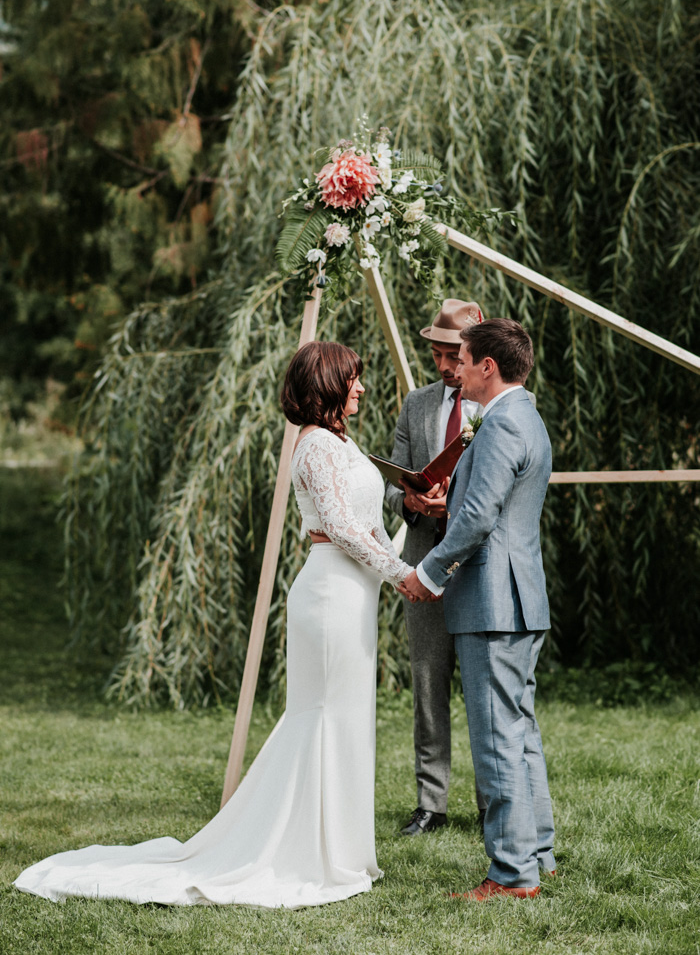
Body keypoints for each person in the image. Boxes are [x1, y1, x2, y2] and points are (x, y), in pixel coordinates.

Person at [14, 340, 412, 910]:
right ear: (327, 382)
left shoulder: (341, 442)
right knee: (321, 717)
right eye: (352, 379)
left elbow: (367, 523)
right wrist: (402, 575)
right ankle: (306, 852)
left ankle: (341, 851)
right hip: (328, 595)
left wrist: (407, 536)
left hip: (355, 595)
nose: (362, 388)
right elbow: (341, 530)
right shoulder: (316, 446)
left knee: (346, 719)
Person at [398, 318, 556, 900]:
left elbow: (477, 518)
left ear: (488, 366)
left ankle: (512, 874)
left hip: (493, 604)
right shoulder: (526, 418)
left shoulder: (499, 426)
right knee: (519, 733)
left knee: (495, 739)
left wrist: (428, 574)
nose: (454, 369)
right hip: (519, 599)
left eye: (461, 359)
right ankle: (539, 853)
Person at [384, 297, 488, 836]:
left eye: (453, 355)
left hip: (478, 566)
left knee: (482, 687)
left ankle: (491, 801)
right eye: (437, 354)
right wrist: (411, 502)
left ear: (476, 353)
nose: (446, 366)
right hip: (422, 560)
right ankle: (431, 804)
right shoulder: (417, 404)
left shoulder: (495, 406)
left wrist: (460, 502)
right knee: (428, 684)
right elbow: (393, 480)